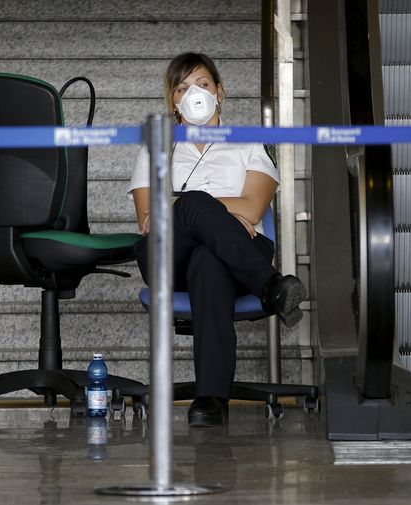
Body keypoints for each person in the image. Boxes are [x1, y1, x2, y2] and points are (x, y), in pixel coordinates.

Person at [128, 52, 307, 427]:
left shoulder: (248, 142)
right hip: (167, 255)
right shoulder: (155, 147)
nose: (194, 92)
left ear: (220, 92)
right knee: (194, 205)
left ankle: (211, 398)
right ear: (173, 102)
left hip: (230, 258)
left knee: (209, 259)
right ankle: (271, 284)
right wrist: (200, 208)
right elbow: (149, 217)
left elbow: (253, 208)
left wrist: (179, 204)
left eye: (203, 84)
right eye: (182, 87)